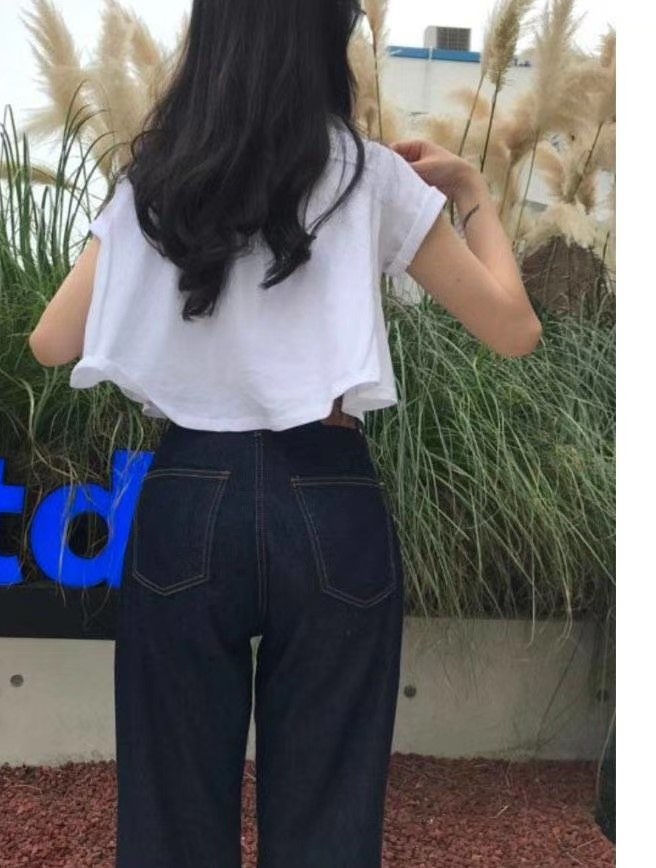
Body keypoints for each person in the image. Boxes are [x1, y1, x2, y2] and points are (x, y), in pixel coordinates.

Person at [29, 1, 542, 865]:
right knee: (328, 815)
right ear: (325, 40)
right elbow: (514, 329)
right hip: (327, 496)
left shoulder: (157, 181)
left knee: (171, 816)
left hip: (189, 494)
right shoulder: (366, 176)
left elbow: (51, 341)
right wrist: (472, 196)